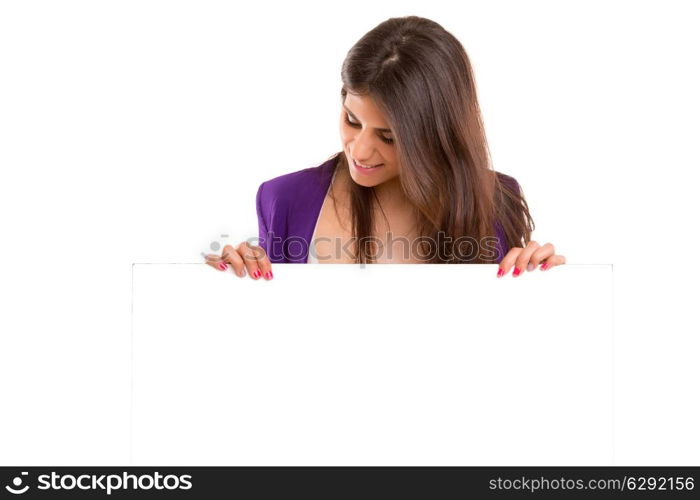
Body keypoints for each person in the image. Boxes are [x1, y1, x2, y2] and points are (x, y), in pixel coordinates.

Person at [205, 16, 566, 280]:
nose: (359, 152)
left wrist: (538, 276)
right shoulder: (284, 198)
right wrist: (231, 278)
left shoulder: (495, 197)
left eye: (388, 137)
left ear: (437, 134)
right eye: (352, 121)